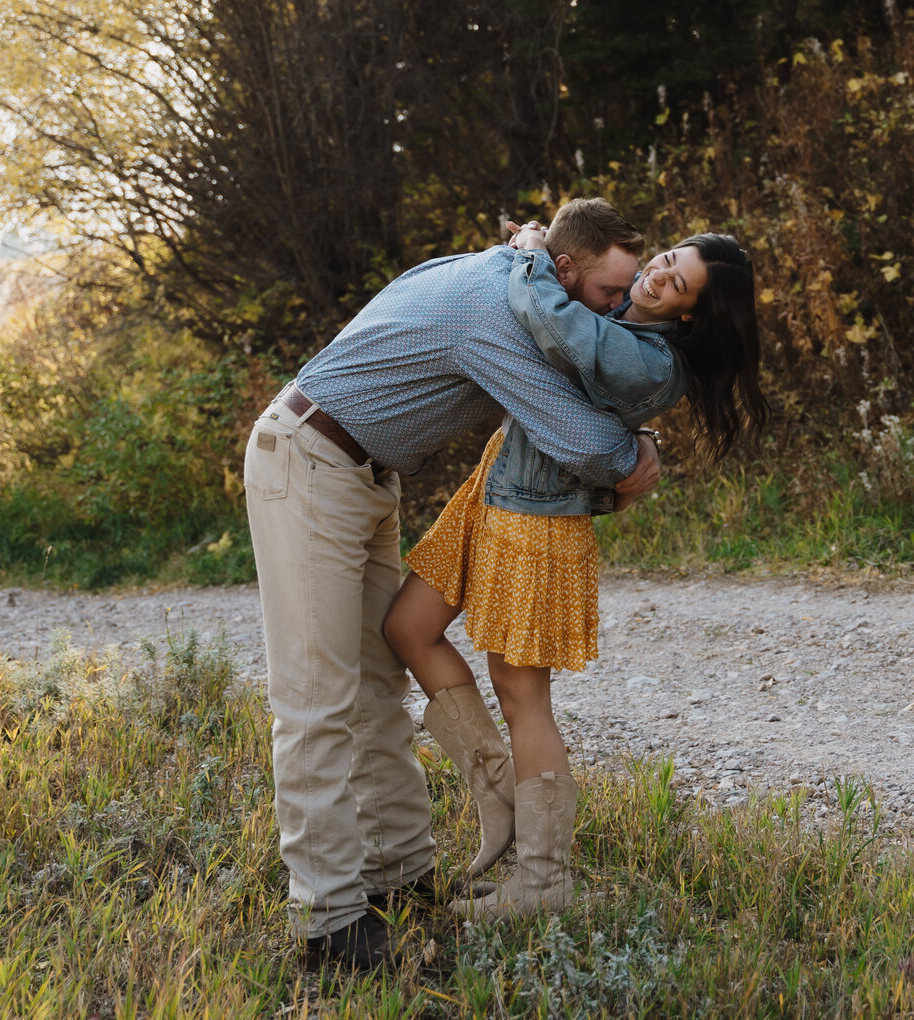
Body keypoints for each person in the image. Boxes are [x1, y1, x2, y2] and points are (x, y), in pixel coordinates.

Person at [243, 198, 660, 974]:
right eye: (608, 296)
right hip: (306, 463)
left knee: (376, 681)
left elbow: (568, 371)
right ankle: (329, 925)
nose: (618, 311)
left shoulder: (522, 271)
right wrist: (640, 449)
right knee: (314, 699)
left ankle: (402, 878)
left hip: (361, 472)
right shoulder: (495, 317)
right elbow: (581, 441)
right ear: (565, 270)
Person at [382, 223, 770, 918]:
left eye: (676, 283)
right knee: (408, 628)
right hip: (492, 491)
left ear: (690, 314)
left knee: (522, 694)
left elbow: (556, 326)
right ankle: (498, 788)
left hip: (539, 520)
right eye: (666, 259)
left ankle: (544, 879)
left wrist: (530, 254)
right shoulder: (622, 313)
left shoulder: (649, 359)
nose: (657, 276)